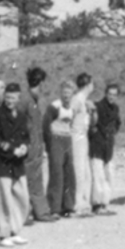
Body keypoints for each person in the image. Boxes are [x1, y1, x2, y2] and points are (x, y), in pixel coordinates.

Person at [0, 82, 31, 246]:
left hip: (17, 164)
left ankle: (14, 231)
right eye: (7, 97)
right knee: (3, 201)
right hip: (1, 162)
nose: (9, 101)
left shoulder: (21, 116)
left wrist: (25, 147)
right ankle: (3, 235)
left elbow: (26, 136)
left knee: (22, 198)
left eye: (13, 98)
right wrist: (12, 150)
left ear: (19, 98)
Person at [19, 68, 57, 223]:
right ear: (40, 82)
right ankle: (24, 213)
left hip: (37, 146)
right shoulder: (24, 100)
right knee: (25, 180)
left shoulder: (37, 100)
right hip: (27, 146)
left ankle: (41, 212)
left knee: (37, 179)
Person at [44, 80, 77, 216]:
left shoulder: (72, 108)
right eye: (64, 92)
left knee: (69, 173)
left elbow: (71, 124)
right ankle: (54, 208)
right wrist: (49, 145)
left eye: (69, 93)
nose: (66, 95)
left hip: (67, 140)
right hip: (55, 139)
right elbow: (45, 126)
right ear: (60, 93)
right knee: (56, 174)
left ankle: (68, 206)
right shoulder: (54, 107)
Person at [89, 82, 122, 214]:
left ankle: (105, 202)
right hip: (98, 144)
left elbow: (118, 123)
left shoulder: (116, 108)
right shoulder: (97, 106)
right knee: (98, 176)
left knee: (109, 174)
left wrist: (112, 132)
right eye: (110, 94)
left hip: (108, 145)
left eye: (114, 95)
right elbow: (92, 124)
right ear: (106, 93)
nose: (111, 97)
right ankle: (97, 204)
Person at [70, 72, 95, 216]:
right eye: (91, 83)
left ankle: (84, 203)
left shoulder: (83, 100)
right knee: (79, 172)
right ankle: (77, 204)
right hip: (76, 138)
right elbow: (70, 117)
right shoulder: (77, 99)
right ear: (87, 84)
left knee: (85, 172)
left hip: (83, 138)